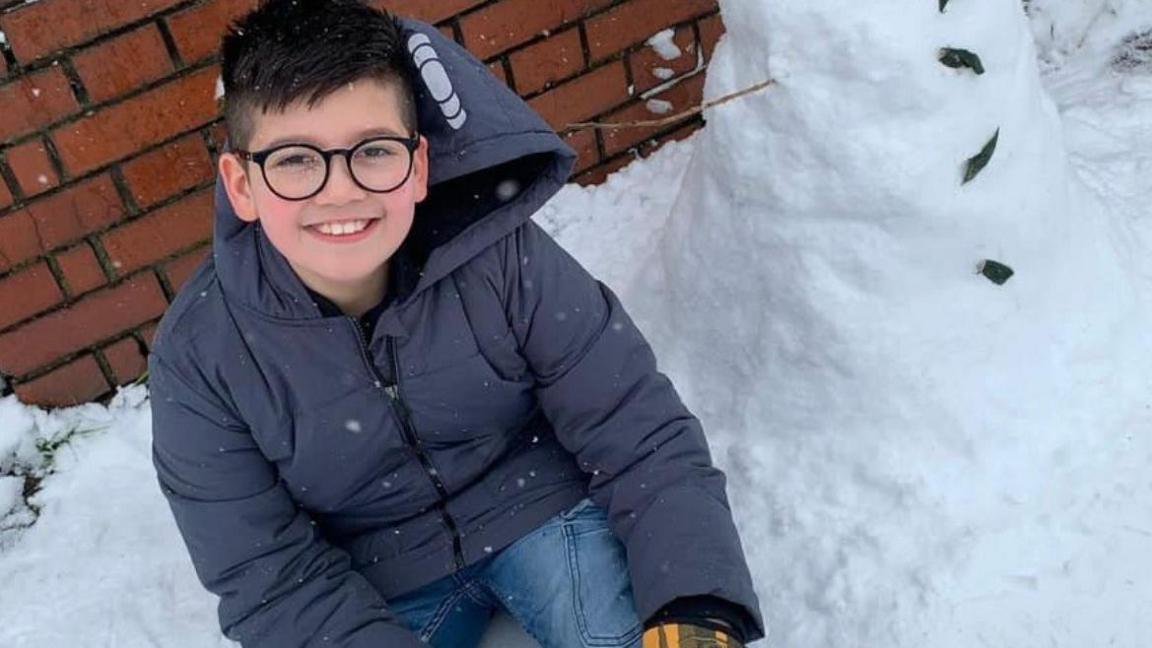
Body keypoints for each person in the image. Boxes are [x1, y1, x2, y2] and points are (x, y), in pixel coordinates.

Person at [147, 1, 764, 646]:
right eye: (296, 160)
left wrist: (696, 600)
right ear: (241, 184)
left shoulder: (498, 256)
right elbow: (267, 575)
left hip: (539, 511)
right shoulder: (202, 356)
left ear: (417, 167)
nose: (339, 191)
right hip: (381, 578)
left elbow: (634, 424)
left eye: (374, 151)